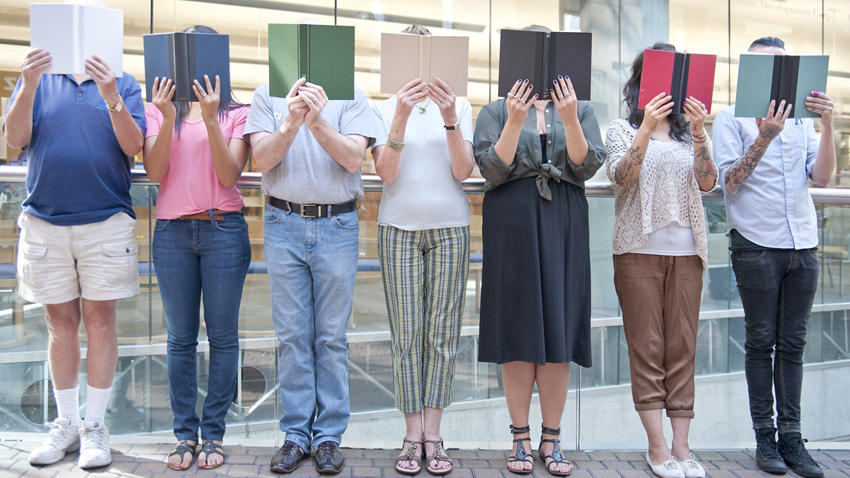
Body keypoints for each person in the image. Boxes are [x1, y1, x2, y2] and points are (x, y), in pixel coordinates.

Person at [2, 0, 145, 469]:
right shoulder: (36, 81)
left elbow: (134, 146)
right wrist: (28, 84)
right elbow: (15, 139)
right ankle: (65, 424)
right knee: (59, 325)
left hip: (104, 221)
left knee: (100, 323)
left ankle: (95, 427)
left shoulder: (123, 82)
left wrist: (111, 95)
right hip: (46, 221)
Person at [473, 24, 606, 477]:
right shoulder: (494, 109)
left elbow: (586, 166)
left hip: (565, 218)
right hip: (511, 219)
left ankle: (552, 438)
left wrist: (568, 119)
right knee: (517, 324)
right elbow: (492, 169)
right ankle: (519, 438)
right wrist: (514, 119)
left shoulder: (582, 108)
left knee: (559, 328)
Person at [712, 36, 835, 478]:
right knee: (760, 342)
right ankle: (765, 437)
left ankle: (793, 438)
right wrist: (764, 137)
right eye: (767, 66)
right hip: (756, 244)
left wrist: (827, 124)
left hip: (802, 243)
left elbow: (822, 178)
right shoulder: (730, 117)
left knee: (795, 344)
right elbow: (728, 182)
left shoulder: (804, 124)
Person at [244, 68, 374, 474]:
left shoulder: (353, 94)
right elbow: (261, 159)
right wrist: (291, 120)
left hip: (338, 224)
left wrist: (315, 118)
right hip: (283, 223)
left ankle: (329, 436)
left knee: (331, 337)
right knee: (292, 336)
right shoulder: (266, 94)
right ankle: (296, 435)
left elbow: (353, 158)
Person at [142, 25, 251, 471]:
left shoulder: (237, 113)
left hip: (223, 230)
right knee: (180, 340)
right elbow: (154, 171)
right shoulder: (156, 110)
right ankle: (185, 435)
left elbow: (229, 176)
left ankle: (214, 434)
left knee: (222, 339)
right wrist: (168, 117)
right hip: (172, 235)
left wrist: (210, 118)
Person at [606, 43, 717, 478]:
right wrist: (647, 127)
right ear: (639, 83)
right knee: (648, 349)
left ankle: (683, 450)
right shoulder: (620, 128)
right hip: (637, 251)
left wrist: (700, 130)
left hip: (689, 253)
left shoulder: (692, 134)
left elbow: (708, 183)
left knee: (682, 350)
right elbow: (620, 176)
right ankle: (657, 450)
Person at [371, 24, 475, 477]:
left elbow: (464, 170)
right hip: (398, 229)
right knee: (406, 334)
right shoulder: (382, 107)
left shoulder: (462, 104)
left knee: (442, 334)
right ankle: (411, 435)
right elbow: (386, 174)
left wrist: (449, 115)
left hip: (451, 228)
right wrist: (400, 113)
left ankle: (434, 434)